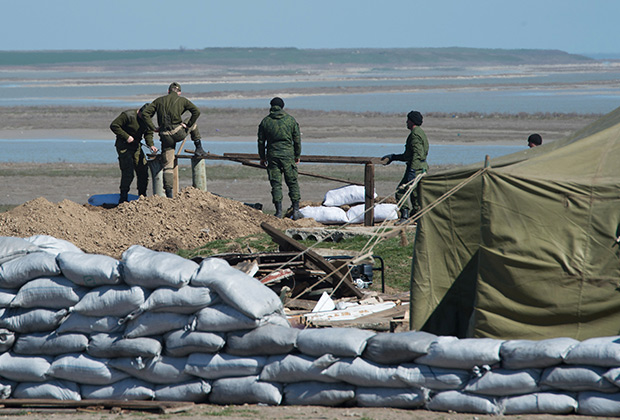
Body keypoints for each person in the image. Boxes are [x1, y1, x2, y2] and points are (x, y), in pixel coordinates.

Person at [140, 82, 207, 198]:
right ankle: (199, 148)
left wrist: (153, 128)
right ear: (179, 92)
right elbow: (196, 111)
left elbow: (145, 113)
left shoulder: (158, 100)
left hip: (165, 136)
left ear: (168, 91)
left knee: (168, 165)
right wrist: (188, 124)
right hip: (178, 132)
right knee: (194, 125)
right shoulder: (182, 100)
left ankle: (169, 194)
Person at [258, 97, 303, 220]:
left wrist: (262, 157)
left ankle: (278, 212)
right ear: (282, 106)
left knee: (276, 184)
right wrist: (297, 155)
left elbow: (261, 141)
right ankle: (296, 211)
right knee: (292, 182)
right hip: (288, 156)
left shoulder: (265, 122)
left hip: (272, 156)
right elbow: (297, 140)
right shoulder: (290, 120)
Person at [382, 110, 429, 224]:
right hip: (421, 167)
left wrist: (412, 170)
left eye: (408, 120)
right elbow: (409, 155)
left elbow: (418, 154)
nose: (406, 122)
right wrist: (394, 157)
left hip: (416, 168)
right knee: (415, 194)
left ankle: (405, 216)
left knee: (401, 191)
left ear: (412, 121)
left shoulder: (415, 135)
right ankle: (418, 216)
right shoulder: (420, 132)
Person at [109, 103, 158, 204]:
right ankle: (123, 197)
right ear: (139, 111)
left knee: (143, 170)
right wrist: (127, 137)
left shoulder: (147, 119)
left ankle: (142, 197)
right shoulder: (128, 115)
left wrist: (151, 145)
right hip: (123, 146)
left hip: (136, 146)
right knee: (128, 172)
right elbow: (114, 125)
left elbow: (148, 133)